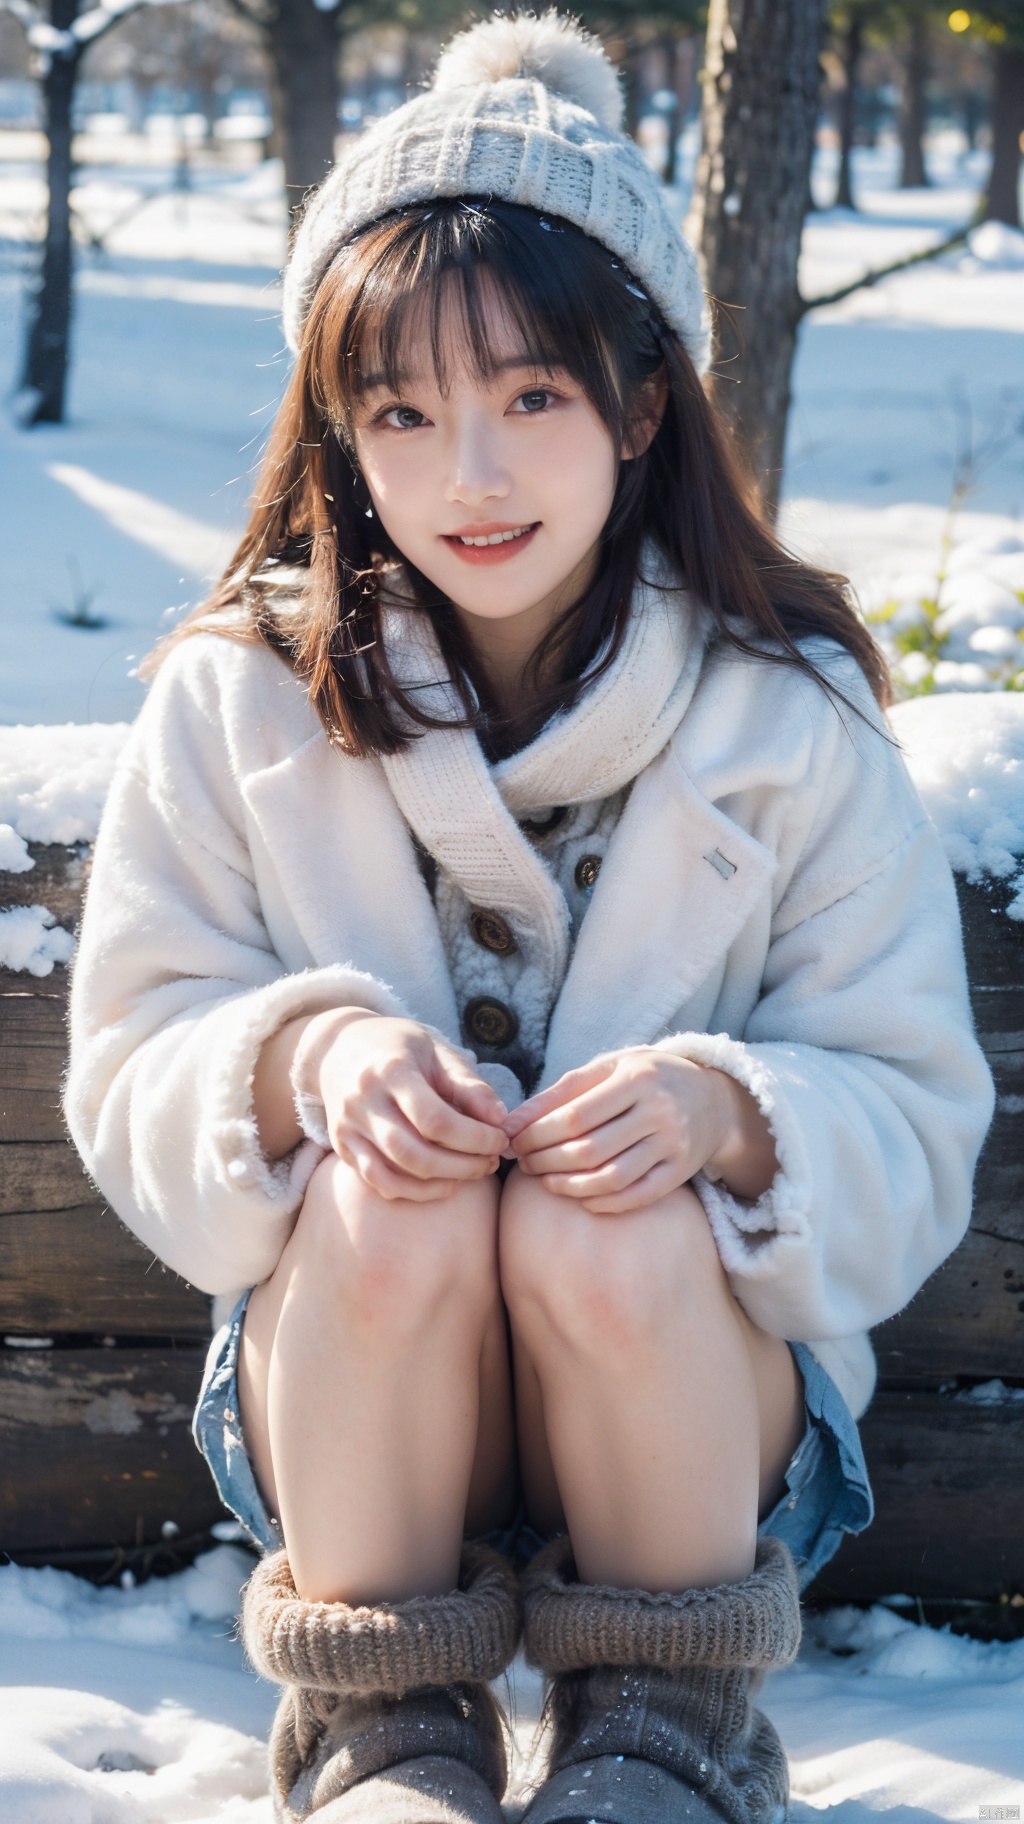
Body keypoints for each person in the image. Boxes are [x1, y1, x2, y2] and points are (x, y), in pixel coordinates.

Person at [65, 15, 994, 1824]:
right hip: (356, 1423)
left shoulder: (783, 713)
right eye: (402, 413)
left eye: (531, 399)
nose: (470, 475)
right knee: (385, 1189)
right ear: (339, 429)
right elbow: (134, 1054)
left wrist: (732, 1119)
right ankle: (385, 1732)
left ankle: (670, 1728)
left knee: (602, 1221)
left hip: (698, 1430)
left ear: (643, 403)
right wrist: (303, 1059)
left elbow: (913, 1104)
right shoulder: (240, 697)